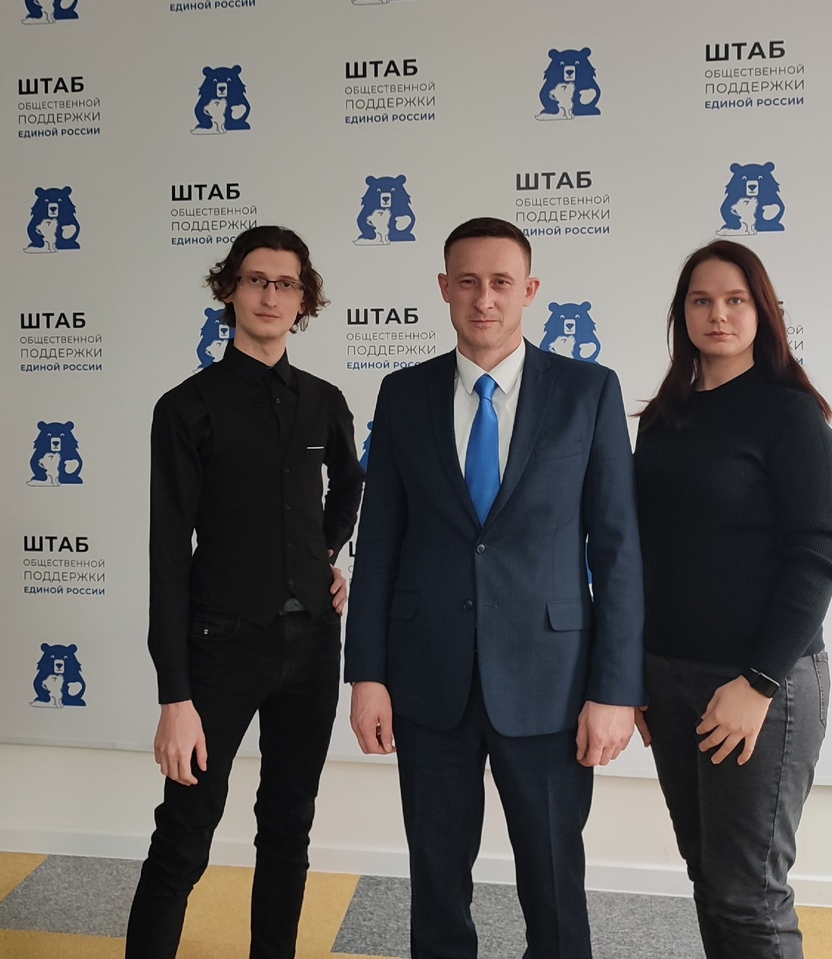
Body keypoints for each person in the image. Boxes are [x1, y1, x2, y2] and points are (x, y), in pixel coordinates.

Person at [344, 217, 644, 959]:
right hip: (427, 680)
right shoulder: (403, 394)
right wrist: (367, 675)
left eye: (501, 282)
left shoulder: (588, 392)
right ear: (444, 288)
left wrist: (615, 690)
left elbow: (617, 549)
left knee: (554, 886)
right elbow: (378, 545)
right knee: (436, 885)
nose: (485, 299)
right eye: (468, 282)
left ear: (529, 290)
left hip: (551, 683)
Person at [126, 226, 364, 959]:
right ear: (230, 289)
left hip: (312, 647)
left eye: (286, 283)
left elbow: (349, 485)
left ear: (304, 301)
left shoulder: (324, 401)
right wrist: (174, 696)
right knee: (185, 834)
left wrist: (323, 553)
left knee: (289, 828)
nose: (270, 295)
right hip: (219, 649)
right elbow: (169, 556)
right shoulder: (186, 407)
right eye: (256, 279)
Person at [633, 240, 832, 959]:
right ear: (681, 314)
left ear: (763, 312)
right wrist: (636, 672)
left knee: (748, 894)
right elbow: (646, 553)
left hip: (760, 683)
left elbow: (817, 558)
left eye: (735, 300)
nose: (718, 314)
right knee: (709, 875)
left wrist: (757, 682)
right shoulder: (661, 419)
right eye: (701, 300)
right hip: (669, 678)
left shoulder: (791, 417)